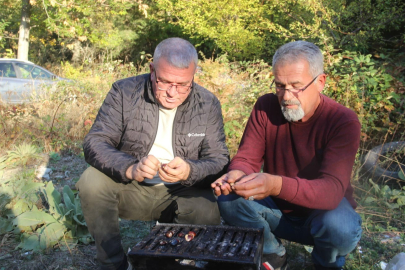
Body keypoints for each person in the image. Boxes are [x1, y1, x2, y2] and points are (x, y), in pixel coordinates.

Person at [76, 37, 229, 270]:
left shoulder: (207, 103)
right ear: (151, 70)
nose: (172, 93)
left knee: (207, 208)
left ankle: (167, 261)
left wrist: (190, 170)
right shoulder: (124, 91)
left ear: (194, 75)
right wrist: (130, 167)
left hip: (181, 191)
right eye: (165, 82)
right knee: (91, 181)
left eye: (183, 84)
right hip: (131, 187)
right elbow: (95, 141)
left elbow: (219, 160)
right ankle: (113, 263)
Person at [212, 41, 362, 270]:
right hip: (277, 209)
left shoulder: (342, 121)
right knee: (228, 200)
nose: (286, 95)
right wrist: (236, 174)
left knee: (340, 226)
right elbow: (247, 157)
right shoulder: (266, 106)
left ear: (320, 82)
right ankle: (273, 253)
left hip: (321, 215)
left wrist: (275, 185)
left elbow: (331, 191)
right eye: (280, 85)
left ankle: (325, 262)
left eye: (296, 86)